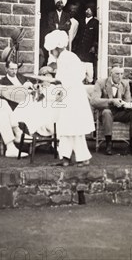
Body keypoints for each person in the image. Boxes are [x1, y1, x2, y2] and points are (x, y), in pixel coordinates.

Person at [45, 30, 94, 167]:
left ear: (56, 48)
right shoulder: (67, 57)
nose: (51, 53)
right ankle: (66, 157)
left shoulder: (66, 58)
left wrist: (55, 89)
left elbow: (67, 79)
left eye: (51, 50)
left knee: (74, 128)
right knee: (67, 128)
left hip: (73, 97)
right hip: (71, 95)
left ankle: (81, 158)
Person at [90, 64, 132, 156]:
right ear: (111, 74)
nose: (120, 76)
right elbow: (94, 101)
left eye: (122, 74)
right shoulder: (101, 83)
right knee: (106, 112)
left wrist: (127, 105)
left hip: (120, 112)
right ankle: (108, 143)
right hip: (106, 113)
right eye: (117, 74)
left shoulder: (125, 84)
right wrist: (111, 101)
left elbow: (128, 100)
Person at [73, 4, 99, 83]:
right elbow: (78, 34)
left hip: (89, 48)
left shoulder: (95, 22)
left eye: (89, 10)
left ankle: (90, 80)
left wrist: (94, 46)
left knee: (89, 64)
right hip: (80, 47)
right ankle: (80, 80)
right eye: (86, 9)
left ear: (93, 11)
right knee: (80, 63)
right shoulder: (81, 21)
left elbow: (96, 35)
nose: (87, 11)